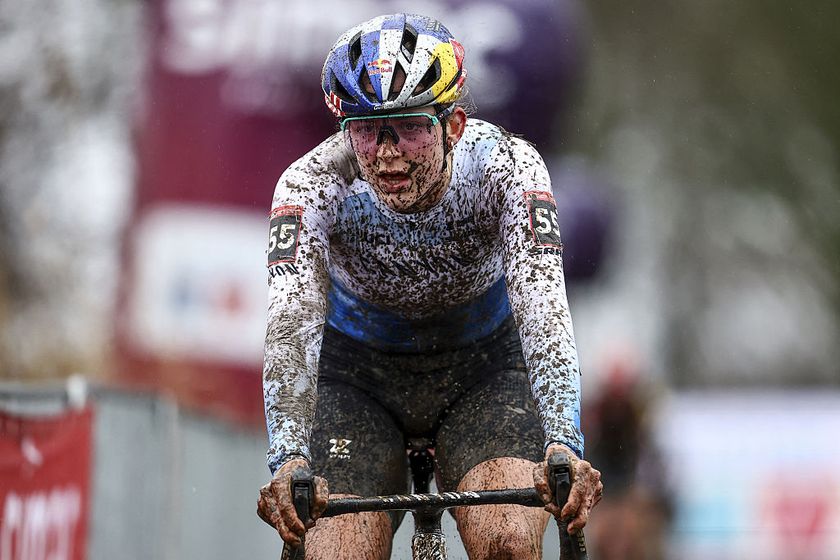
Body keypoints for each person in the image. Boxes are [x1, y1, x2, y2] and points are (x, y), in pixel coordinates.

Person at [256, 13, 602, 559]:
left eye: (411, 127)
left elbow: (543, 308)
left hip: (483, 369)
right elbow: (291, 323)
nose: (388, 152)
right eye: (367, 130)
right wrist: (289, 460)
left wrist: (564, 440)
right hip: (357, 378)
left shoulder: (507, 169)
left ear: (455, 124)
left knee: (508, 543)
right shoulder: (311, 185)